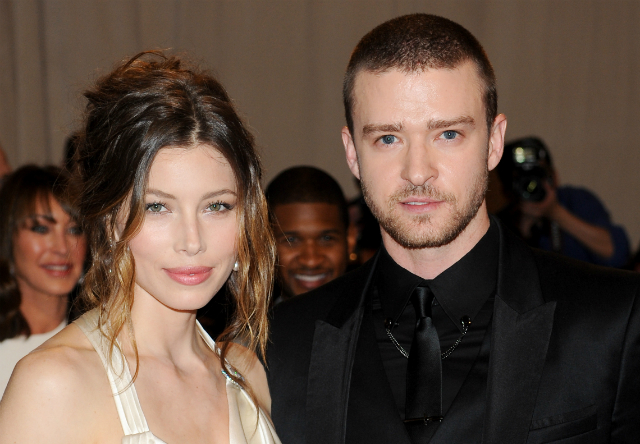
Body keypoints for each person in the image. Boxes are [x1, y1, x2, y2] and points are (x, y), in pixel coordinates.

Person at [265, 14, 640, 444]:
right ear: (352, 153)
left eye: (447, 134)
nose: (417, 171)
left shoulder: (615, 321)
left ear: (494, 142)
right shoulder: (281, 344)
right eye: (388, 138)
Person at [0, 52, 281, 444]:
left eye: (217, 206)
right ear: (110, 220)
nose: (192, 241)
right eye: (157, 207)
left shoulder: (245, 372)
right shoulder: (54, 384)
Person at [0, 165, 87, 396]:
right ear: (8, 238)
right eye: (41, 228)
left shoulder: (108, 340)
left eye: (74, 230)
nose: (62, 248)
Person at [496, 136, 630, 267]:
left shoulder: (576, 200)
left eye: (538, 174)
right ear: (507, 190)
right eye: (522, 179)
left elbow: (617, 254)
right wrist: (523, 232)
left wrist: (555, 212)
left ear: (554, 175)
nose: (532, 184)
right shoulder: (500, 223)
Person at [266, 166, 356, 303]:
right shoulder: (246, 317)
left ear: (350, 239)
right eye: (291, 240)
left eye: (326, 238)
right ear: (264, 244)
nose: (311, 261)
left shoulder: (383, 314)